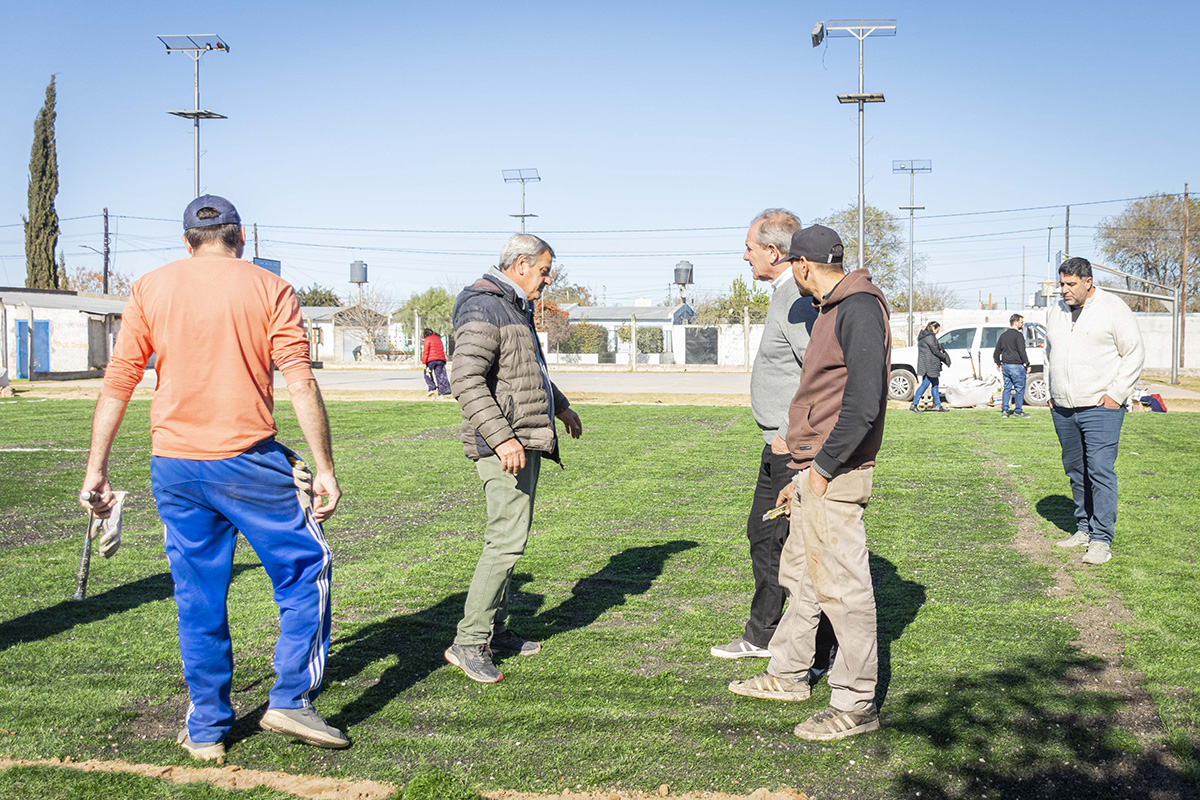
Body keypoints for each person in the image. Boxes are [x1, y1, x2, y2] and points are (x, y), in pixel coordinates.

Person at [79, 195, 345, 761]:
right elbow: (299, 380)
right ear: (240, 236)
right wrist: (322, 467)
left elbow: (120, 379)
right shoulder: (270, 288)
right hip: (247, 460)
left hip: (173, 465)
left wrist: (96, 469)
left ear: (187, 241)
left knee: (198, 596)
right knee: (307, 569)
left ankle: (206, 729)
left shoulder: (150, 286)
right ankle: (290, 700)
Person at [728, 225, 889, 742]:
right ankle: (789, 674)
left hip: (836, 473)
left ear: (801, 266)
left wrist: (819, 470)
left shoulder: (859, 308)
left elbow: (864, 405)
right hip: (812, 471)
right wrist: (800, 473)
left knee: (845, 591)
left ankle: (855, 703)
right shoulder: (831, 307)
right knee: (800, 579)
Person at [445, 233, 583, 683]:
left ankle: (496, 631)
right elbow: (465, 379)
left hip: (523, 438)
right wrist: (503, 439)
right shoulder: (483, 305)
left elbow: (528, 371)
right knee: (505, 541)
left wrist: (559, 405)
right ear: (520, 264)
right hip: (505, 445)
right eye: (544, 270)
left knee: (512, 538)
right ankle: (469, 640)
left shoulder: (512, 305)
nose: (547, 280)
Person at [709, 209, 837, 675]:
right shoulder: (785, 294)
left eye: (749, 247)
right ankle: (763, 634)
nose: (744, 256)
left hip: (793, 450)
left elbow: (822, 373)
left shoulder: (798, 301)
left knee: (798, 549)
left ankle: (820, 652)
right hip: (778, 446)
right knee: (766, 537)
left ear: (774, 251)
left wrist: (797, 438)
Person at [1046, 257, 1145, 565]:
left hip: (1101, 407)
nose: (1064, 290)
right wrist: (1052, 392)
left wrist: (1116, 394)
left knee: (1100, 470)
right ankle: (1084, 529)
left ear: (1088, 282)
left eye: (1070, 284)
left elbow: (1134, 353)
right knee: (1076, 471)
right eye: (1061, 283)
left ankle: (1101, 539)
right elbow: (1050, 354)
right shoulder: (1055, 313)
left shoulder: (1113, 308)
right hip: (1063, 408)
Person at [994, 313, 1031, 418]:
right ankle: (1018, 411)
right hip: (1016, 366)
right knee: (1019, 388)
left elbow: (996, 352)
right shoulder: (1018, 335)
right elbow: (1022, 351)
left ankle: (1005, 410)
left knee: (1007, 388)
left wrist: (998, 363)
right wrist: (1027, 364)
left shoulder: (1003, 335)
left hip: (1005, 366)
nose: (1022, 325)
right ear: (1016, 322)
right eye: (1021, 322)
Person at [910, 321, 951, 412]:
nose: (937, 332)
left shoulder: (923, 337)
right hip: (931, 364)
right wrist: (944, 357)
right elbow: (935, 351)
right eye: (937, 330)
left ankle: (938, 406)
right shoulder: (930, 337)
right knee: (925, 384)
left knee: (935, 384)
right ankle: (914, 404)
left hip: (926, 363)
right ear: (933, 328)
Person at [421, 327, 451, 398]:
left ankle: (431, 388)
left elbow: (426, 352)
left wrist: (424, 362)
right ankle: (441, 393)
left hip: (430, 360)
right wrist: (444, 360)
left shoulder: (427, 340)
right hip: (440, 360)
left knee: (427, 374)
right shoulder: (438, 339)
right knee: (440, 376)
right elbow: (442, 350)